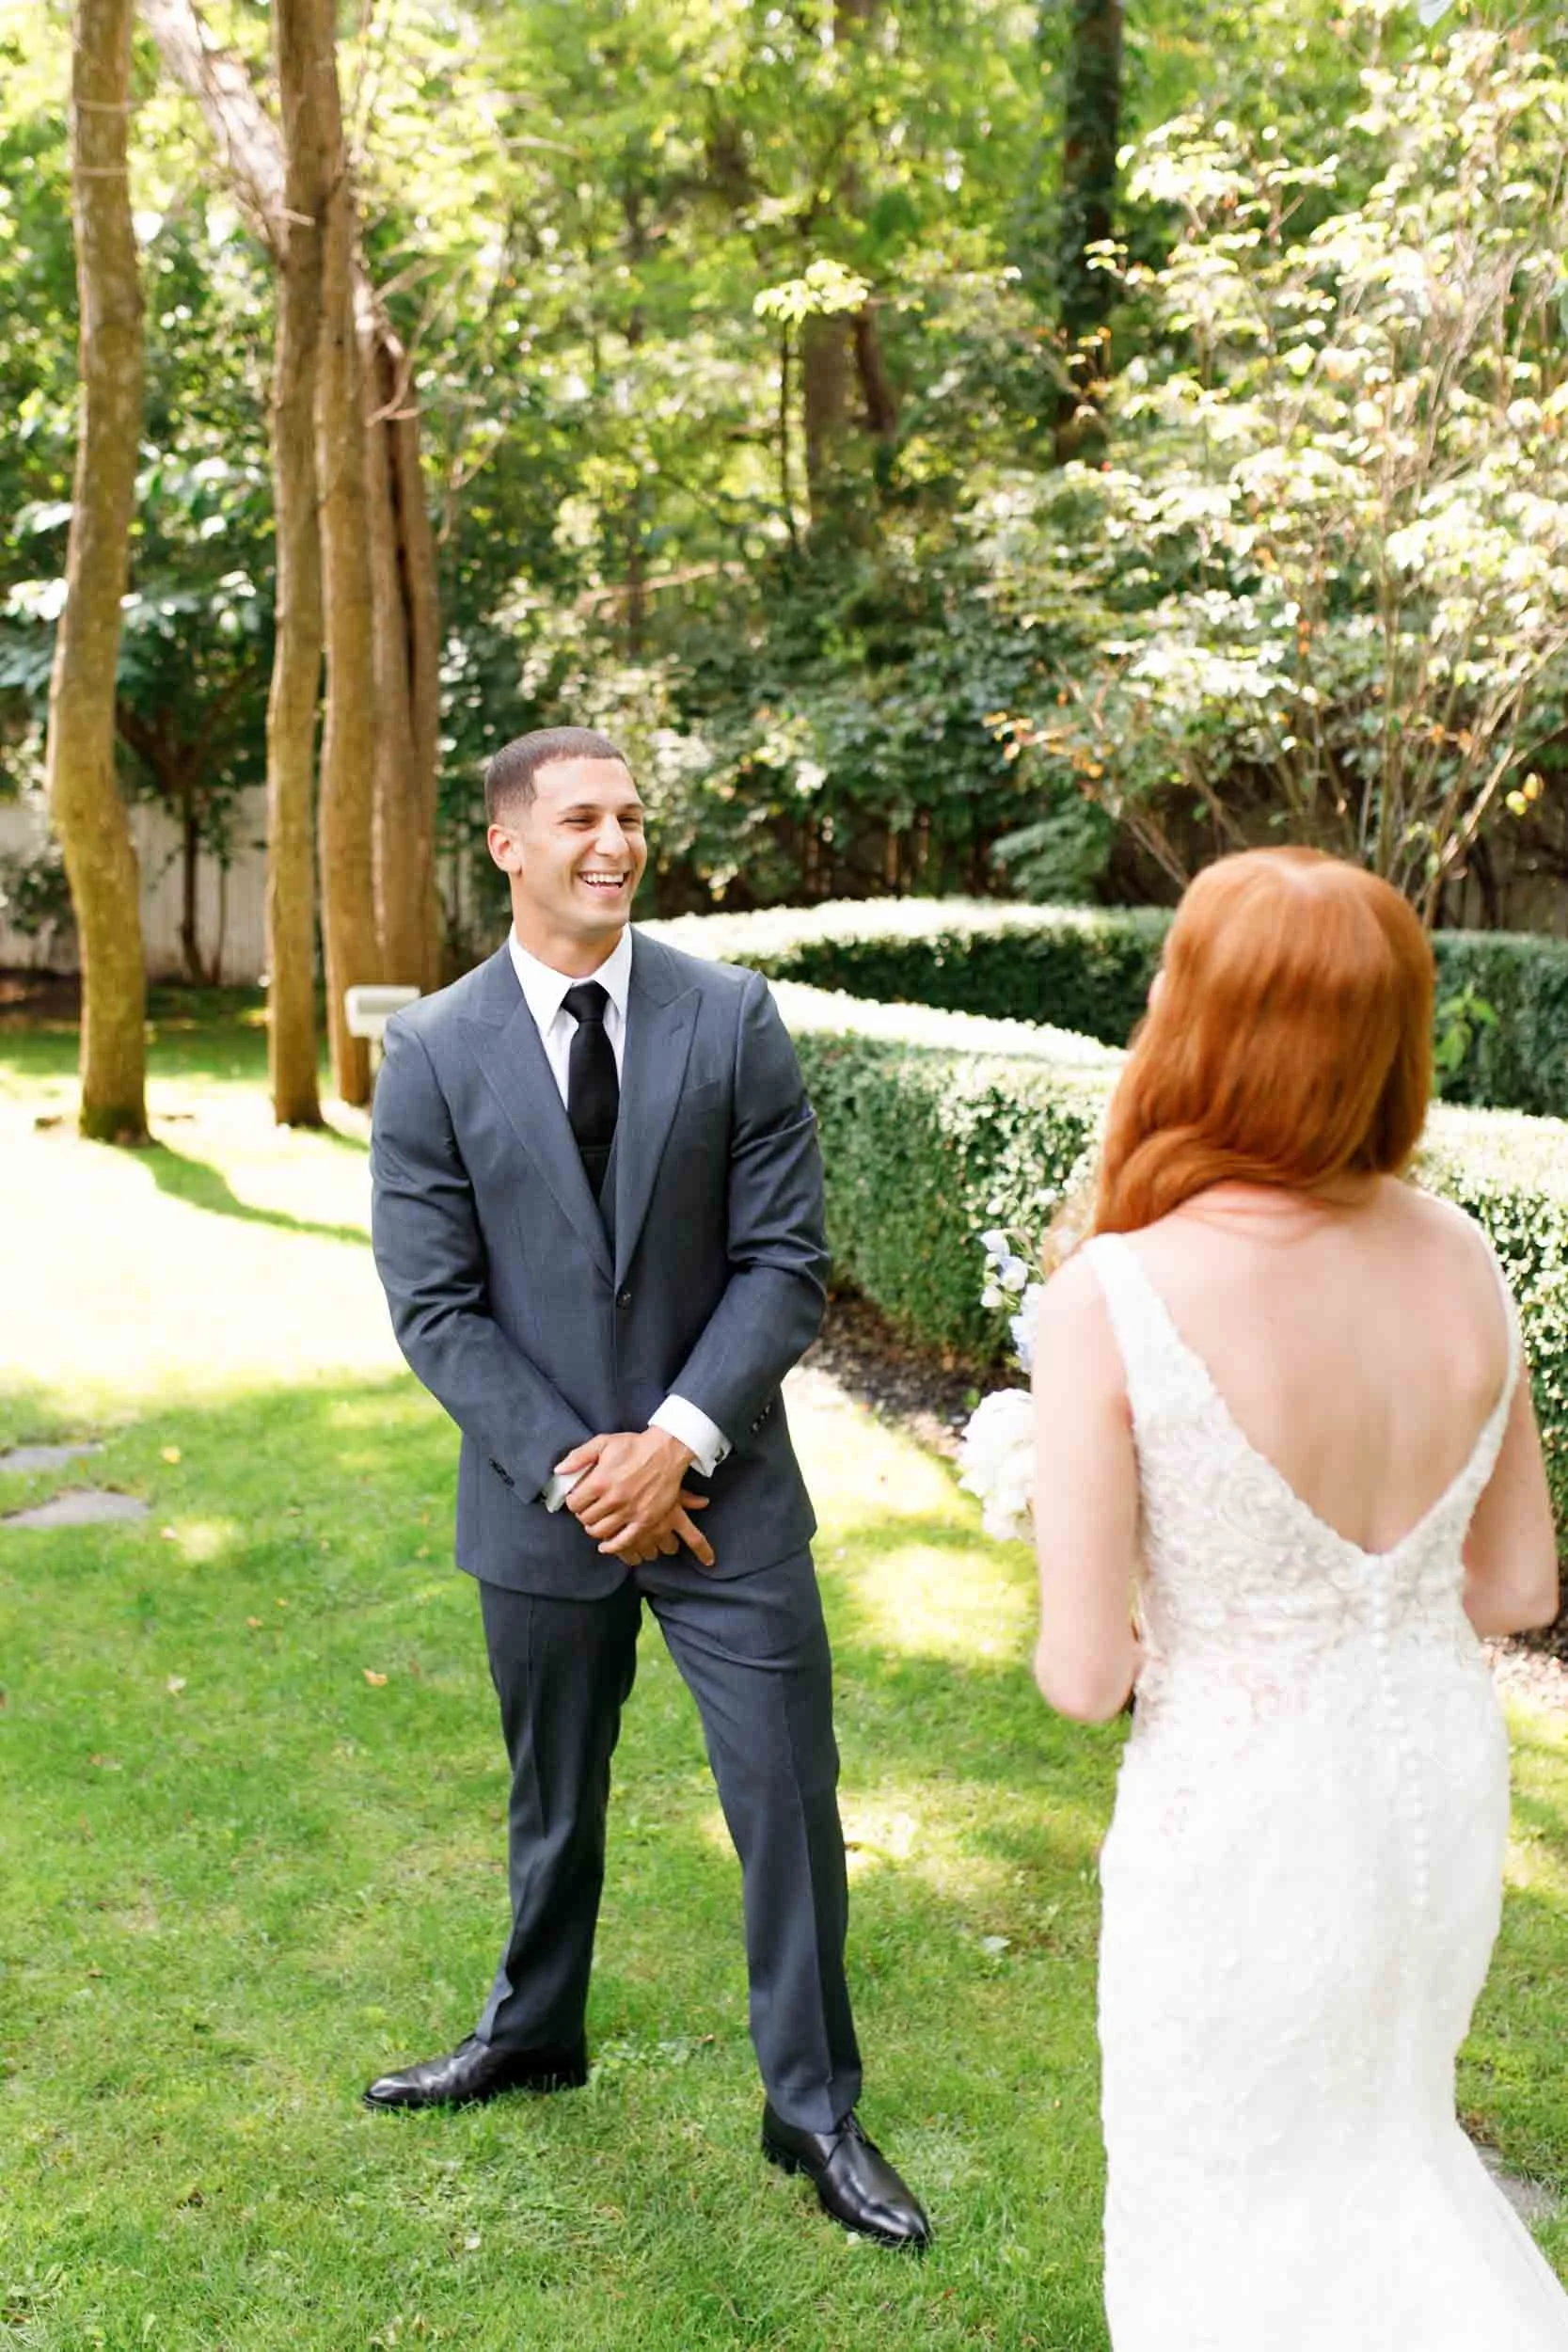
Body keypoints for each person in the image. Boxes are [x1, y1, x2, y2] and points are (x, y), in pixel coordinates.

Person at [364, 725, 929, 2251]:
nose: (613, 843)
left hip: (726, 1500)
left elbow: (781, 1263)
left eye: (629, 817)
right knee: (555, 1804)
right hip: (540, 1507)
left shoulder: (730, 1016)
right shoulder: (428, 1051)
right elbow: (436, 1308)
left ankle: (809, 2108)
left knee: (786, 1802)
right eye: (578, 821)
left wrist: (676, 1441)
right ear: (507, 846)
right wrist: (581, 1471)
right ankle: (531, 2032)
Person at [1028, 848, 1565, 2349]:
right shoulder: (1462, 1254)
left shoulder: (1115, 1297)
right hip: (1433, 1793)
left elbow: (1082, 1675)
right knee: (1388, 2159)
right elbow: (1515, 1584)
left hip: (1243, 1812)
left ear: (1201, 1022)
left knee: (1229, 2203)